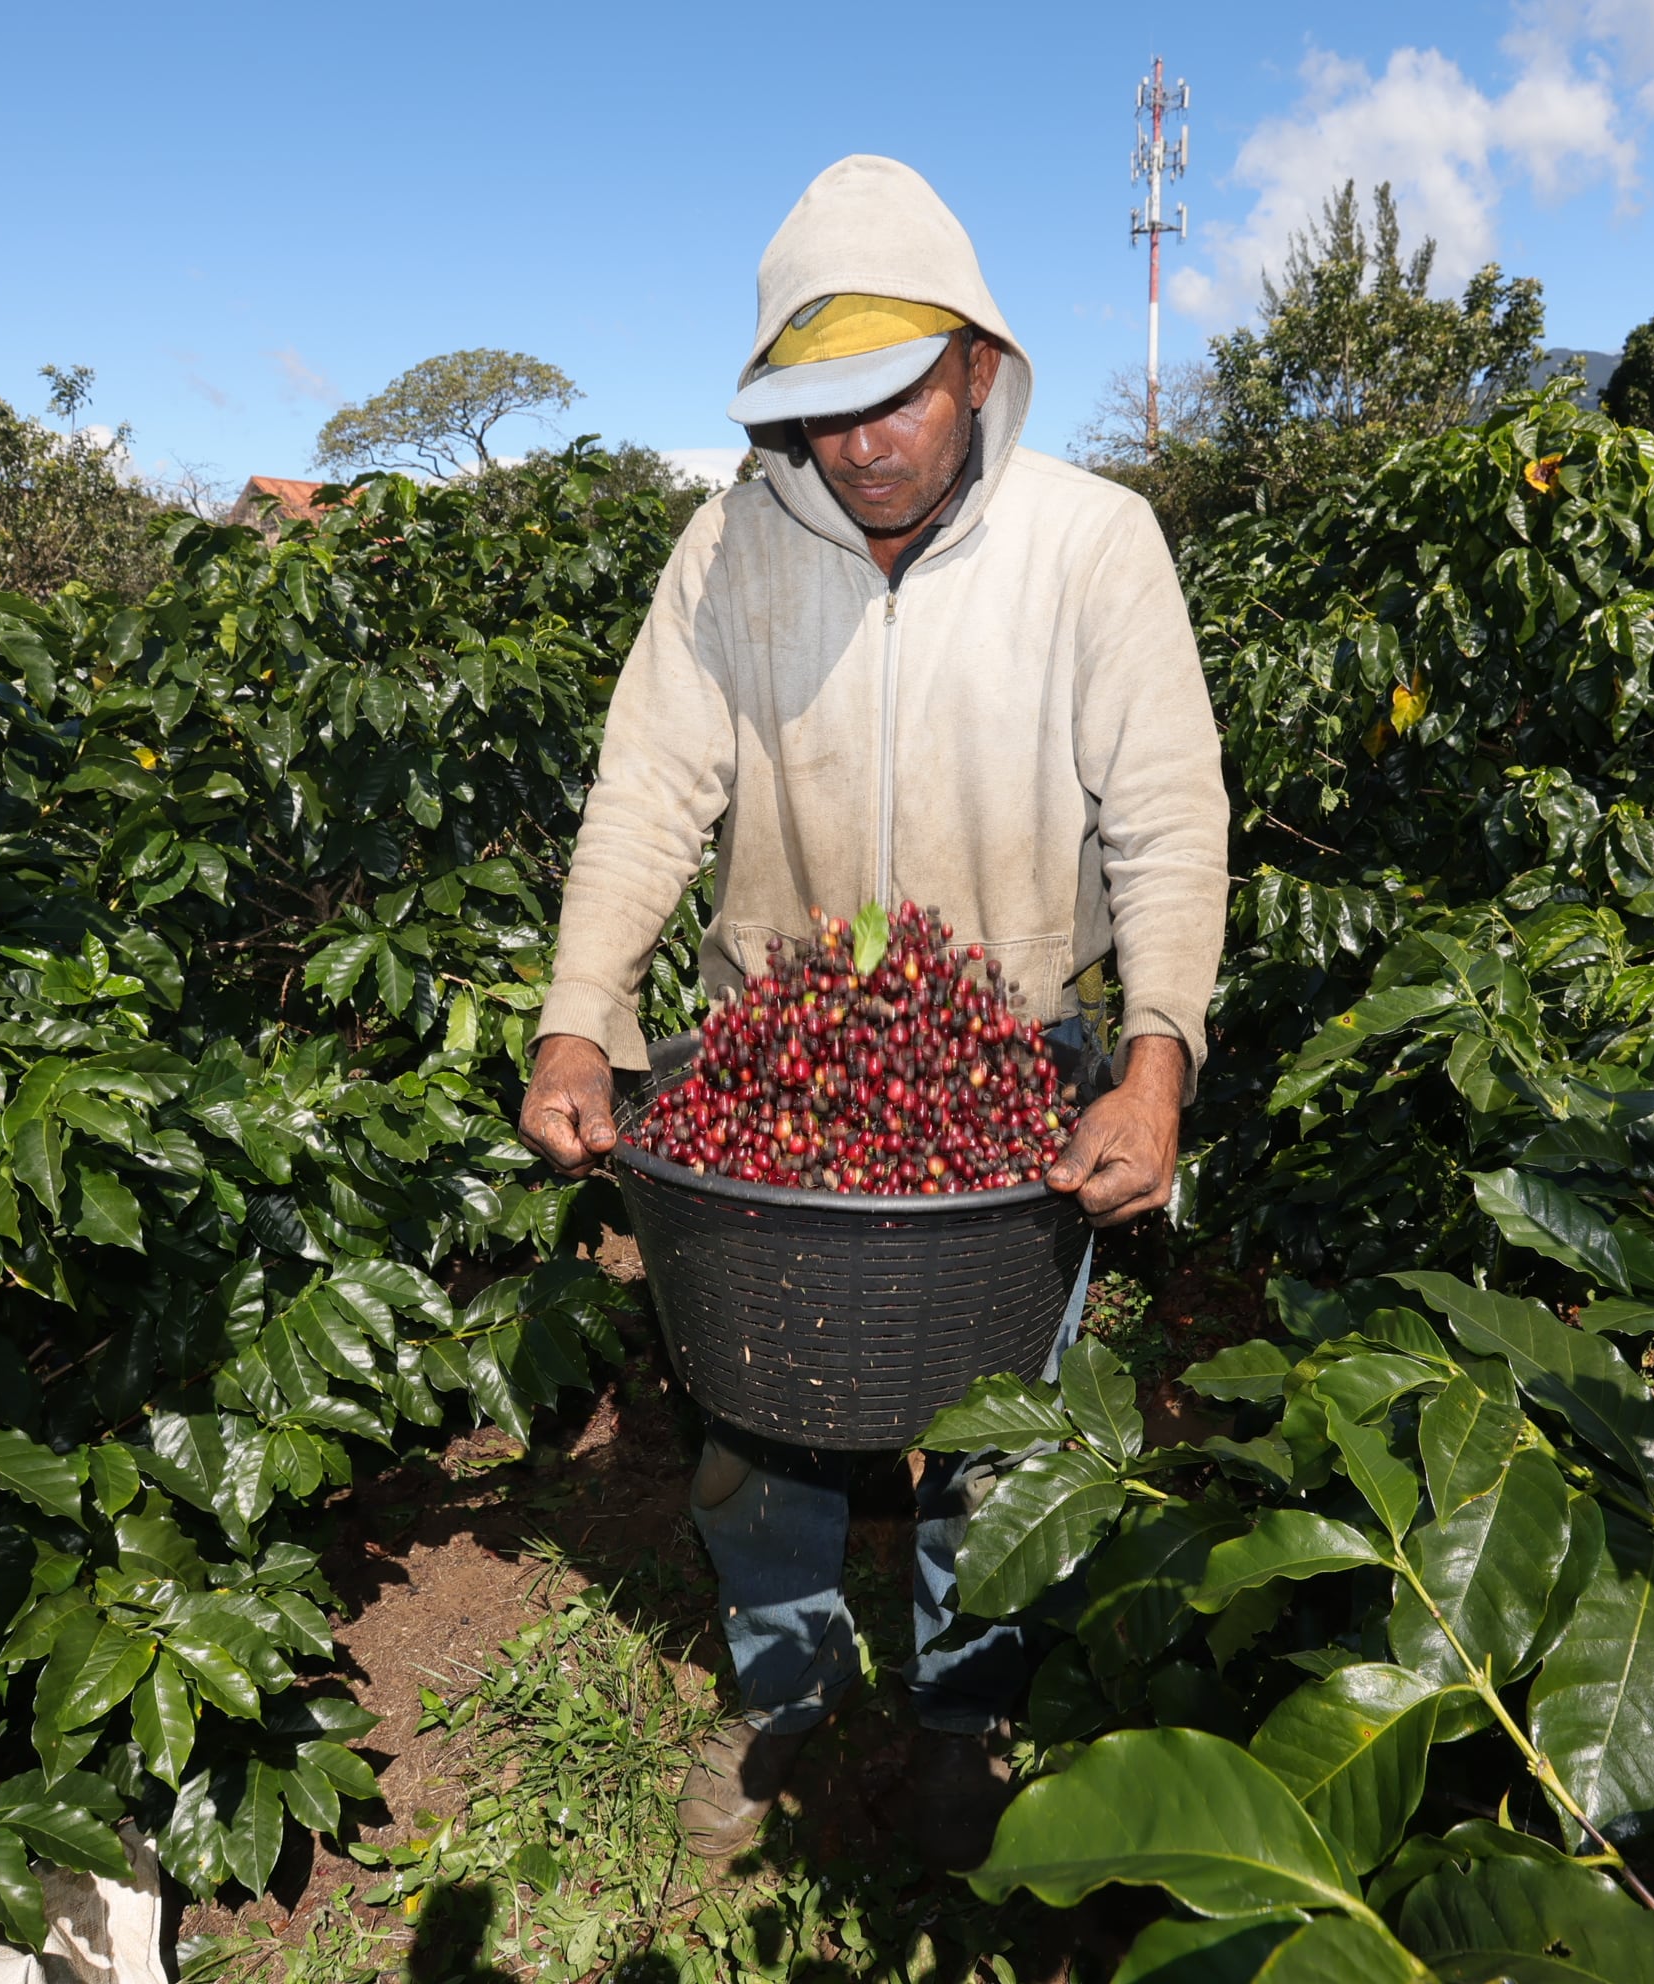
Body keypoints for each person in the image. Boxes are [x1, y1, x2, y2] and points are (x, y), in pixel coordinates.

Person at [517, 155, 1228, 1867]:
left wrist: (1155, 1062)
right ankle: (785, 1696)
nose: (865, 442)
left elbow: (1166, 814)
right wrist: (576, 1014)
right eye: (827, 410)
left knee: (986, 1423)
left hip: (1008, 1070)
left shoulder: (1090, 545)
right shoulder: (724, 555)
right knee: (761, 1405)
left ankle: (963, 1721)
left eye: (898, 394)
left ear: (977, 366)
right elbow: (647, 794)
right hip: (776, 1051)